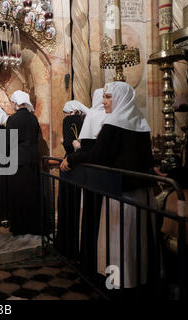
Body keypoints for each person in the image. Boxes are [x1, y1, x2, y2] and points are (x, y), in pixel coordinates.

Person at [61, 81, 155, 289]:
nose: (103, 102)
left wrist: (73, 159)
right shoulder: (140, 121)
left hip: (120, 193)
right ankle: (137, 282)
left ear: (121, 99)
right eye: (104, 97)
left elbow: (97, 155)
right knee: (135, 243)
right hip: (140, 192)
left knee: (117, 244)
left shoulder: (114, 123)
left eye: (109, 97)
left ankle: (116, 285)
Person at [4, 91, 47, 236]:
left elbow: (9, 143)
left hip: (17, 161)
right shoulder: (33, 119)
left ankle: (19, 227)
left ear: (15, 103)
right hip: (32, 160)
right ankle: (33, 226)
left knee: (18, 194)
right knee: (31, 194)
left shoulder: (13, 120)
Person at [76, 89, 107, 275]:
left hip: (93, 174)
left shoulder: (93, 115)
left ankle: (90, 260)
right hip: (108, 178)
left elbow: (86, 146)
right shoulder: (113, 116)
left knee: (92, 215)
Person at [56, 100, 89, 259]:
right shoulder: (85, 120)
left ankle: (67, 243)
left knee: (68, 204)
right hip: (84, 167)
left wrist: (65, 142)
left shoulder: (69, 120)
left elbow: (69, 142)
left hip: (71, 165)